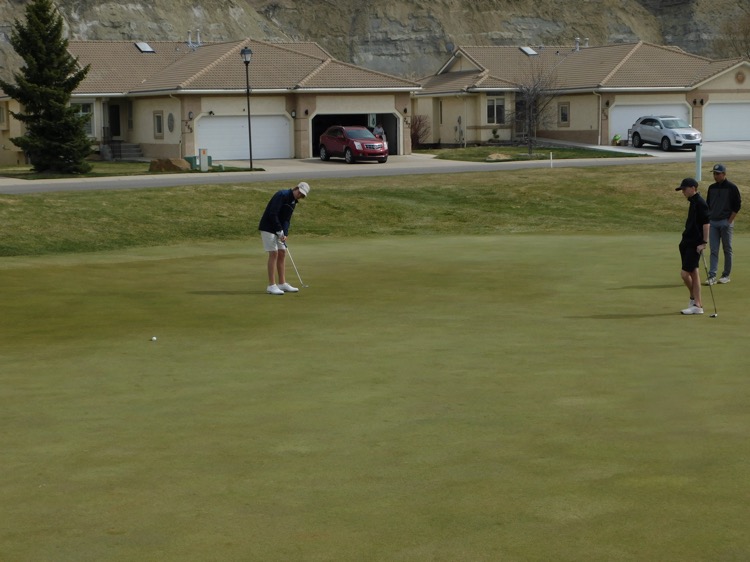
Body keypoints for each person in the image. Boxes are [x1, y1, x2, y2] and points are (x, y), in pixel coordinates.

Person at [258, 181, 310, 295]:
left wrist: (284, 233)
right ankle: (271, 285)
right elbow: (273, 213)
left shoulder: (293, 202)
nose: (300, 196)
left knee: (282, 252)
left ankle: (282, 283)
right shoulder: (282, 195)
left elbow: (286, 219)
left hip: (279, 230)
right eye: (299, 193)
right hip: (268, 227)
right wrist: (279, 229)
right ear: (296, 188)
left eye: (302, 195)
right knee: (274, 253)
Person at [676, 177, 710, 315]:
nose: (683, 192)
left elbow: (706, 223)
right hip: (687, 242)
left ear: (693, 188)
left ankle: (695, 300)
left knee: (685, 274)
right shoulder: (693, 201)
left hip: (695, 244)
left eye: (684, 189)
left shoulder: (701, 203)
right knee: (694, 273)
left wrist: (704, 243)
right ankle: (697, 304)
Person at [705, 163, 741, 285]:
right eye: (714, 174)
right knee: (713, 249)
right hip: (713, 222)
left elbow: (737, 205)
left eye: (717, 174)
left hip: (726, 221)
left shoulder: (732, 187)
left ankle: (726, 275)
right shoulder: (711, 188)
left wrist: (729, 221)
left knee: (727, 249)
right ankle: (712, 276)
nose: (715, 176)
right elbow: (708, 204)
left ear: (724, 174)